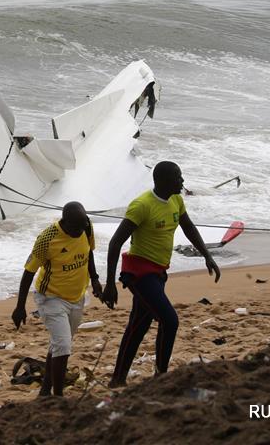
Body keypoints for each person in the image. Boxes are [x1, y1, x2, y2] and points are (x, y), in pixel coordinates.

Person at [102, 161, 221, 387]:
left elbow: (188, 227)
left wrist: (207, 255)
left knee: (138, 325)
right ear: (164, 181)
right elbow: (116, 243)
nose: (183, 181)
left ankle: (117, 379)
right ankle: (161, 376)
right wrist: (109, 284)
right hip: (138, 273)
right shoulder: (142, 206)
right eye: (178, 177)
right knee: (170, 320)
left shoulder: (176, 200)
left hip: (158, 272)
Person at [12, 201, 102, 397]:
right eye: (75, 229)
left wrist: (95, 279)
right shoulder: (47, 239)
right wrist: (19, 307)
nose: (80, 232)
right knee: (63, 345)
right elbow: (28, 272)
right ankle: (58, 396)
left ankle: (45, 391)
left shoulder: (86, 228)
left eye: (82, 227)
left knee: (59, 344)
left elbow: (89, 253)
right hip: (51, 297)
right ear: (65, 223)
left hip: (77, 296)